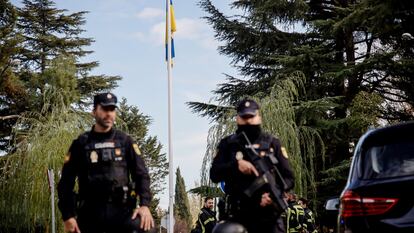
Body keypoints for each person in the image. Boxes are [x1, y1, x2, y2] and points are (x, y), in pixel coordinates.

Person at [57, 92, 155, 233]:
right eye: (104, 109)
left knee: (147, 228)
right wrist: (68, 216)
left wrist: (145, 205)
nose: (109, 114)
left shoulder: (125, 141)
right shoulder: (81, 144)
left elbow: (142, 175)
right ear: (94, 112)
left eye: (112, 109)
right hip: (90, 214)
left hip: (122, 212)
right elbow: (66, 183)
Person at [210, 98, 295, 233]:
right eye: (244, 117)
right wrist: (235, 165)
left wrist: (272, 196)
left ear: (258, 117)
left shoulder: (273, 143)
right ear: (237, 118)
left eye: (251, 116)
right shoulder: (228, 144)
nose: (248, 120)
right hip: (238, 215)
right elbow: (214, 174)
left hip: (269, 215)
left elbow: (289, 178)